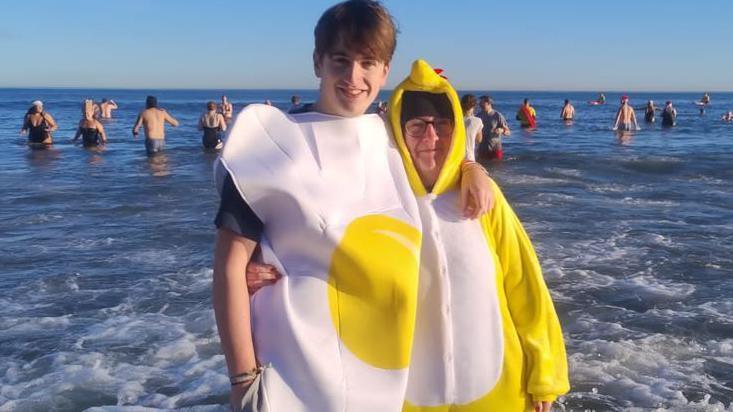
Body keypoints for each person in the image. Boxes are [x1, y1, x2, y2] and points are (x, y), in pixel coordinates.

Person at [211, 2, 492, 411]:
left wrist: (471, 169)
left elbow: (439, 170)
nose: (354, 77)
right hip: (292, 381)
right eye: (340, 60)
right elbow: (230, 267)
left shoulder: (391, 140)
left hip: (384, 382)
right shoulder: (270, 144)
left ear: (385, 70)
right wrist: (242, 381)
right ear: (317, 62)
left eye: (368, 63)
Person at [389, 58, 568, 412]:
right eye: (416, 126)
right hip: (406, 397)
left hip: (500, 389)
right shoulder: (379, 200)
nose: (431, 137)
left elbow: (525, 284)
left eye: (442, 124)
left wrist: (544, 373)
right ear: (396, 130)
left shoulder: (484, 198)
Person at [476, 95, 510, 160]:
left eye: (482, 103)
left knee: (497, 168)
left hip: (496, 148)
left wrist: (502, 131)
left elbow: (508, 132)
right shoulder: (478, 116)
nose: (480, 104)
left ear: (489, 103)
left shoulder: (497, 115)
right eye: (479, 103)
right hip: (482, 149)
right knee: (483, 167)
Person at [460, 94, 483, 161]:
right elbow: (479, 140)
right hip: (468, 157)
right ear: (474, 106)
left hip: (455, 158)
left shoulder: (455, 120)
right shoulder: (477, 121)